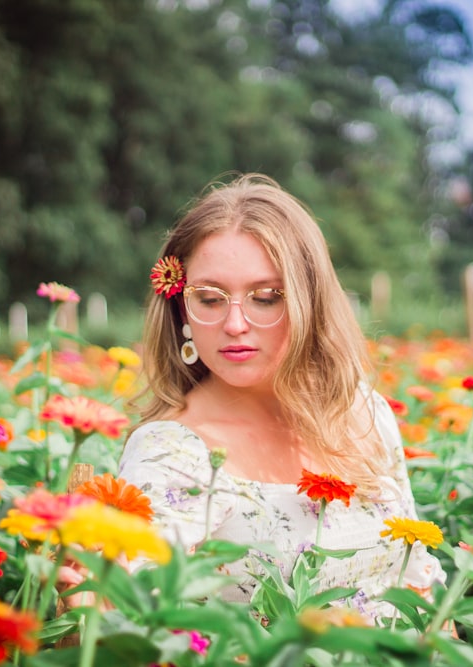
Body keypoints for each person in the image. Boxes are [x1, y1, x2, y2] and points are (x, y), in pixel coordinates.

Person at [118, 172, 444, 622]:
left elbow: (422, 583)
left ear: (310, 303)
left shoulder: (366, 414)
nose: (234, 323)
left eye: (266, 298)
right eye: (210, 299)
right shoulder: (173, 452)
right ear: (181, 307)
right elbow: (136, 615)